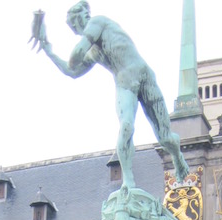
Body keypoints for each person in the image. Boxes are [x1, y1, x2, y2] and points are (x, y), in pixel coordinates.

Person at [33, 2, 189, 189]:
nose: (76, 31)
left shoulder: (98, 22)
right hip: (124, 84)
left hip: (144, 75)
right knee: (126, 126)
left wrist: (66, 52)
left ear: (82, 17)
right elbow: (71, 71)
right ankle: (128, 181)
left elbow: (75, 56)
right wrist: (48, 50)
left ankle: (177, 156)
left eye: (74, 26)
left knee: (165, 138)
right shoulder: (93, 52)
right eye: (73, 29)